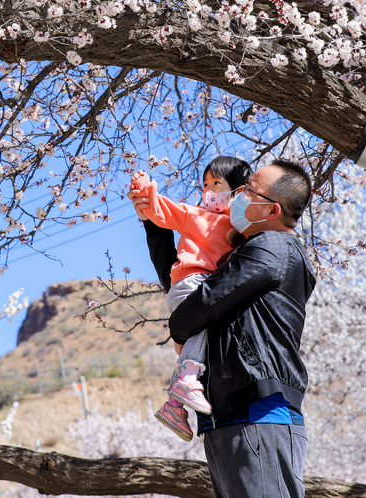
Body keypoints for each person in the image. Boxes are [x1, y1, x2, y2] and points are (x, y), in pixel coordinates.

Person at [132, 159, 316, 498]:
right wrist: (152, 224)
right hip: (227, 416)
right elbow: (188, 283)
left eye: (248, 190)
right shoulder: (245, 252)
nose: (239, 196)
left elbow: (202, 304)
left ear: (272, 210)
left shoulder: (273, 247)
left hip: (257, 413)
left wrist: (180, 325)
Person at [128, 156, 251, 442]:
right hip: (190, 284)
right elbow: (163, 210)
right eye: (205, 184)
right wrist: (146, 192)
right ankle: (186, 379)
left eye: (216, 183)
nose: (208, 190)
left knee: (202, 335)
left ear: (240, 191)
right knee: (211, 317)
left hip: (197, 288)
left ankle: (174, 406)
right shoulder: (196, 215)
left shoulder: (243, 229)